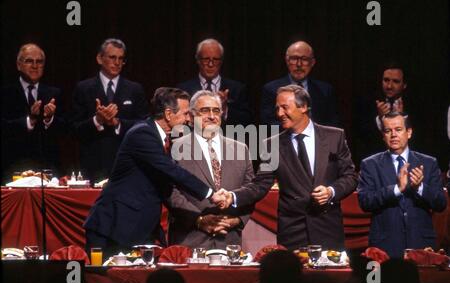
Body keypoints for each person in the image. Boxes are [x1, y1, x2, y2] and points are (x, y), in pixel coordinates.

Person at [83, 87, 226, 257]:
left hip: (138, 227)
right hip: (114, 227)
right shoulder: (142, 134)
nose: (189, 119)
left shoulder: (161, 138)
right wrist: (211, 193)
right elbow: (172, 171)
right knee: (103, 281)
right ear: (168, 114)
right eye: (186, 113)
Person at [232, 85, 358, 251]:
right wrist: (233, 196)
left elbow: (350, 177)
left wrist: (331, 192)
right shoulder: (271, 145)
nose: (279, 114)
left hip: (327, 228)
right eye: (277, 108)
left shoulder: (335, 136)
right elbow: (260, 184)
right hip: (292, 232)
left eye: (285, 107)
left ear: (304, 107)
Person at [166, 90, 255, 249]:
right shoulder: (175, 147)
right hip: (189, 241)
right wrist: (198, 220)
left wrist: (238, 220)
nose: (212, 116)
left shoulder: (241, 149)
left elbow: (251, 191)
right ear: (192, 117)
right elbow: (170, 191)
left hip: (229, 242)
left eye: (216, 111)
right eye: (205, 111)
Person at [357, 112, 447, 258]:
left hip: (422, 245)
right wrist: (396, 189)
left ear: (409, 132)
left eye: (398, 129)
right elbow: (365, 202)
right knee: (376, 281)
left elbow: (441, 203)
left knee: (420, 282)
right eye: (387, 131)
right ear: (383, 135)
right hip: (384, 247)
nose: (393, 135)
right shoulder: (369, 165)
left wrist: (420, 188)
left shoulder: (429, 163)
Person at [70, 38, 148, 183]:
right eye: (112, 57)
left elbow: (144, 125)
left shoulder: (134, 89)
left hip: (126, 164)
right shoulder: (83, 88)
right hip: (92, 165)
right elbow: (74, 129)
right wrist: (97, 120)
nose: (117, 63)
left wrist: (117, 122)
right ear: (99, 59)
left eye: (121, 59)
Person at [1, 43, 65, 183]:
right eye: (29, 61)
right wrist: (30, 120)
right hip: (12, 166)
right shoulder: (5, 94)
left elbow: (67, 129)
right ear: (18, 65)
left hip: (47, 168)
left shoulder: (54, 93)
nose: (35, 66)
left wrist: (49, 119)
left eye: (39, 62)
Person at [177, 38, 253, 130]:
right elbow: (179, 122)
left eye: (215, 59)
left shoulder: (237, 89)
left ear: (221, 61)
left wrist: (225, 110)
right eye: (206, 59)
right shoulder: (184, 89)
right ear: (198, 60)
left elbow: (246, 122)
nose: (210, 64)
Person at [260, 41, 339, 128]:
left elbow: (332, 124)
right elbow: (268, 123)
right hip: (284, 139)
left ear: (312, 63)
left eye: (304, 59)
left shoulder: (325, 90)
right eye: (294, 59)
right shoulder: (271, 89)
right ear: (287, 61)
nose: (299, 64)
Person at [353, 62, 415, 163]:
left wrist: (403, 119)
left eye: (395, 81)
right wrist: (380, 119)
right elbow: (361, 140)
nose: (389, 86)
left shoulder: (415, 105)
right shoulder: (367, 103)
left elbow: (420, 143)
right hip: (376, 163)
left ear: (404, 85)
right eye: (386, 80)